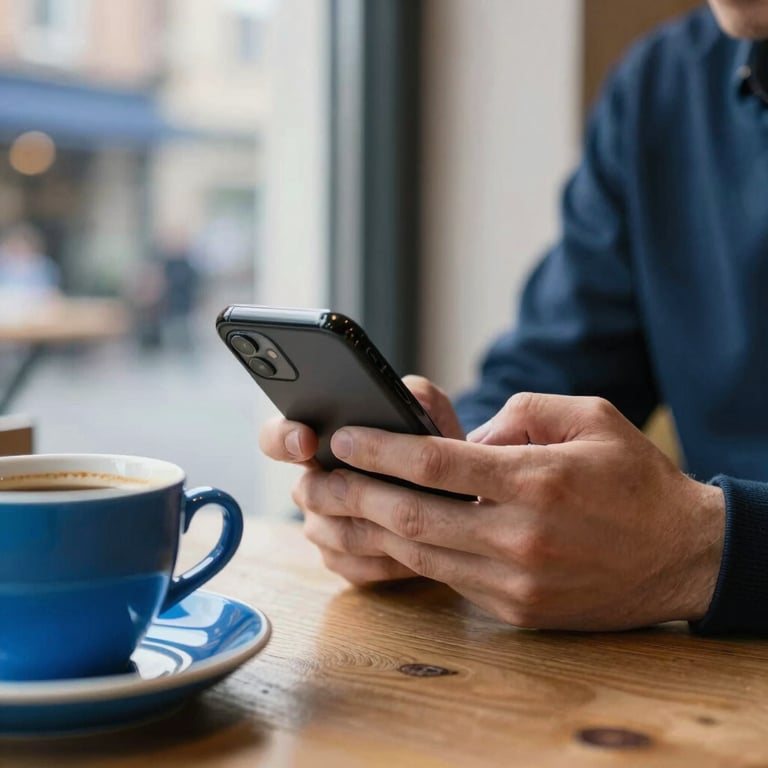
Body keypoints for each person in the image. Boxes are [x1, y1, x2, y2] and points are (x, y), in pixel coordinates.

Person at [260, 0, 768, 636]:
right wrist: (441, 489)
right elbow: (554, 369)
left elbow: (698, 547)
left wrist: (710, 550)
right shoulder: (662, 88)